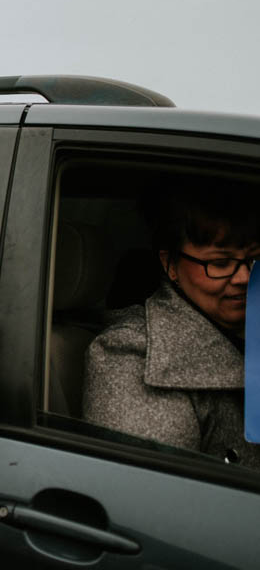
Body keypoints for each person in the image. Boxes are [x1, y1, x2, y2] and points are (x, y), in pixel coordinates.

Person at [83, 179, 260, 468]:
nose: (243, 278)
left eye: (254, 259)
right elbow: (152, 498)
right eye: (219, 263)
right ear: (170, 264)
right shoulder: (134, 356)